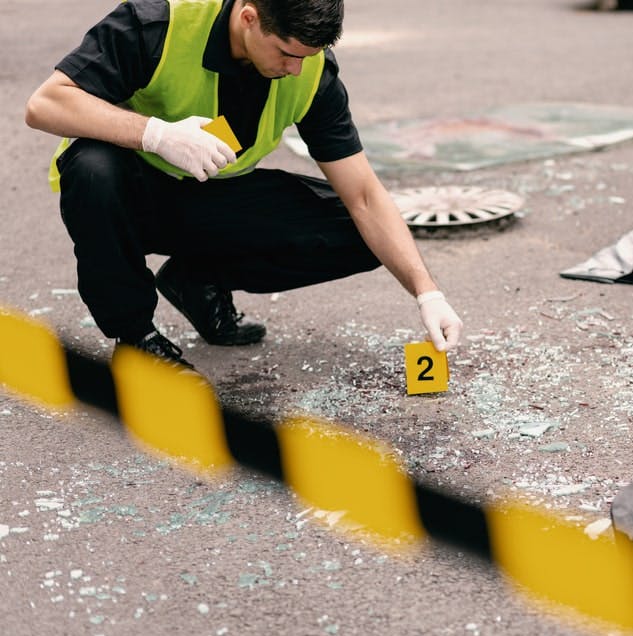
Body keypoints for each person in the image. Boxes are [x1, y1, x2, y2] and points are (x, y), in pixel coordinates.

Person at [24, 0, 463, 370]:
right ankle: (135, 337)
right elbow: (45, 103)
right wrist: (157, 134)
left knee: (369, 232)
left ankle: (198, 279)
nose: (296, 69)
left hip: (211, 198)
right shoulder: (159, 23)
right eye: (287, 53)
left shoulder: (310, 71)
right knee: (92, 167)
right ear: (249, 17)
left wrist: (427, 292)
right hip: (130, 196)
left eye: (307, 56)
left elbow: (365, 196)